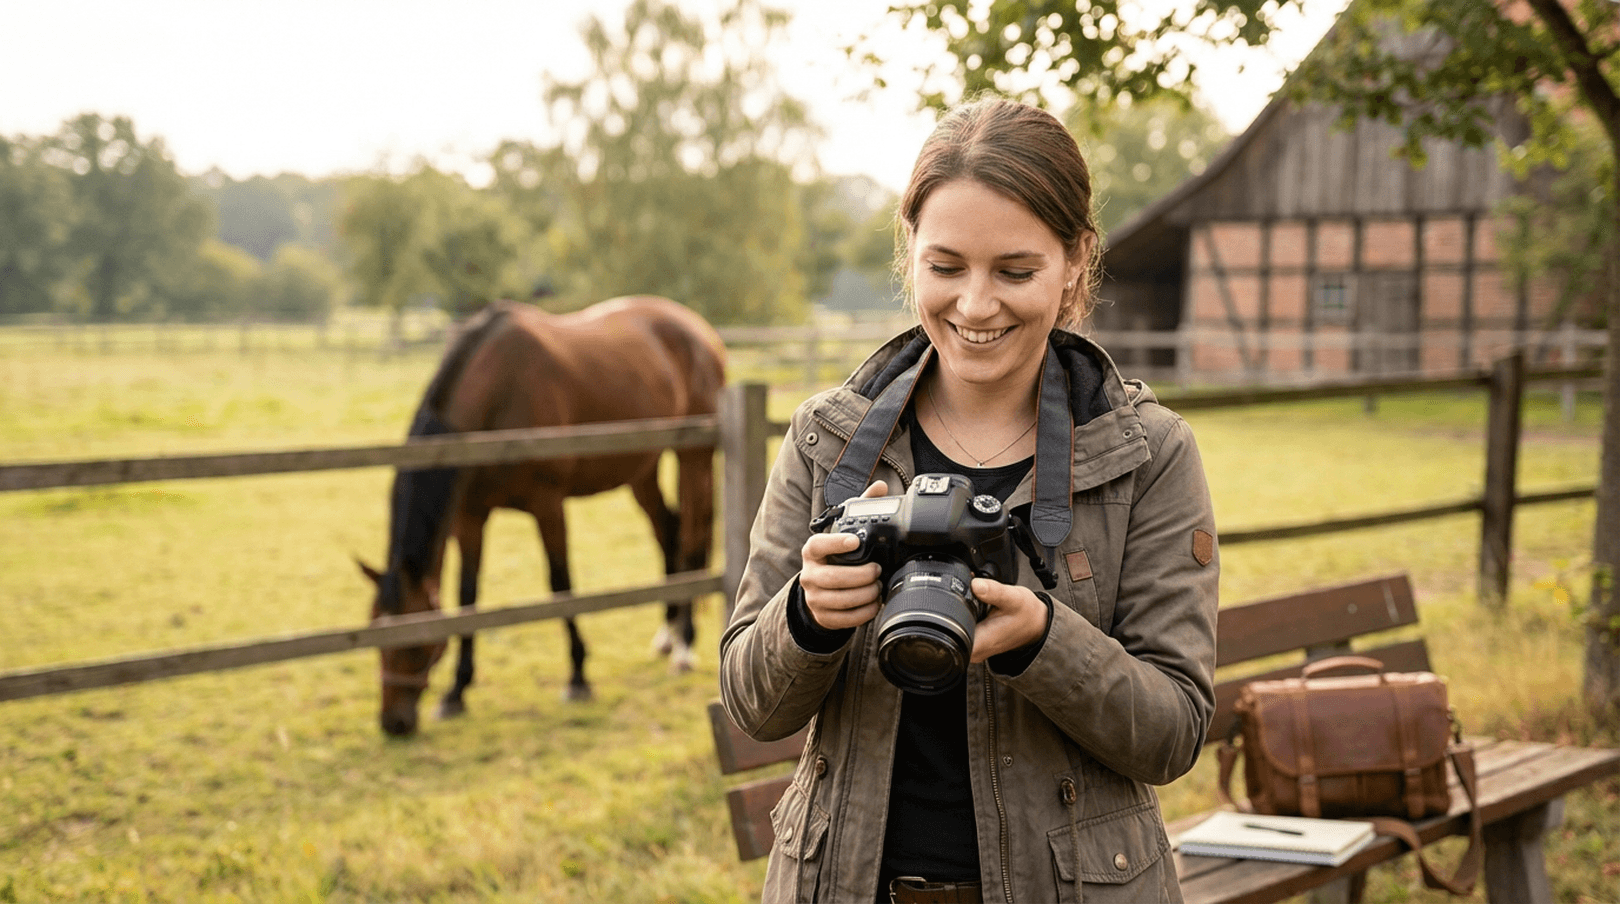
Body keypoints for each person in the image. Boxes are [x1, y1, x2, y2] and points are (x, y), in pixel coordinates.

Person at [719, 96, 1219, 904]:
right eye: (945, 267)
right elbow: (751, 703)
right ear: (909, 250)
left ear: (1075, 260)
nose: (976, 305)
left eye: (1015, 271)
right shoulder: (829, 439)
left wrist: (1043, 643)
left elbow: (1175, 732)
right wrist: (806, 615)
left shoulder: (1147, 453)